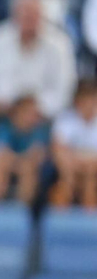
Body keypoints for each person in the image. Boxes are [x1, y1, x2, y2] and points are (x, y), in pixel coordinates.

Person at [0, 0, 76, 123]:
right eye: (25, 14)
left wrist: (38, 109)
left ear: (43, 16)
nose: (29, 20)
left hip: (42, 115)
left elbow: (65, 89)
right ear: (14, 16)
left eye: (34, 15)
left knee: (65, 123)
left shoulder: (59, 43)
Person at [0, 94, 50, 205]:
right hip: (10, 165)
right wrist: (19, 162)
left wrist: (21, 163)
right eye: (29, 113)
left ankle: (22, 211)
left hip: (30, 170)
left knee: (28, 169)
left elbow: (37, 156)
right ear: (18, 112)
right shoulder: (4, 127)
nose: (34, 117)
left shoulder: (39, 131)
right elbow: (2, 153)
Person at [50, 78, 97, 208]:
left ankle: (90, 222)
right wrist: (80, 163)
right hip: (70, 169)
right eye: (85, 99)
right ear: (77, 101)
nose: (90, 104)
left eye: (92, 99)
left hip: (92, 170)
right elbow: (58, 150)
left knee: (90, 178)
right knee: (67, 179)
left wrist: (87, 164)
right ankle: (59, 221)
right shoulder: (65, 119)